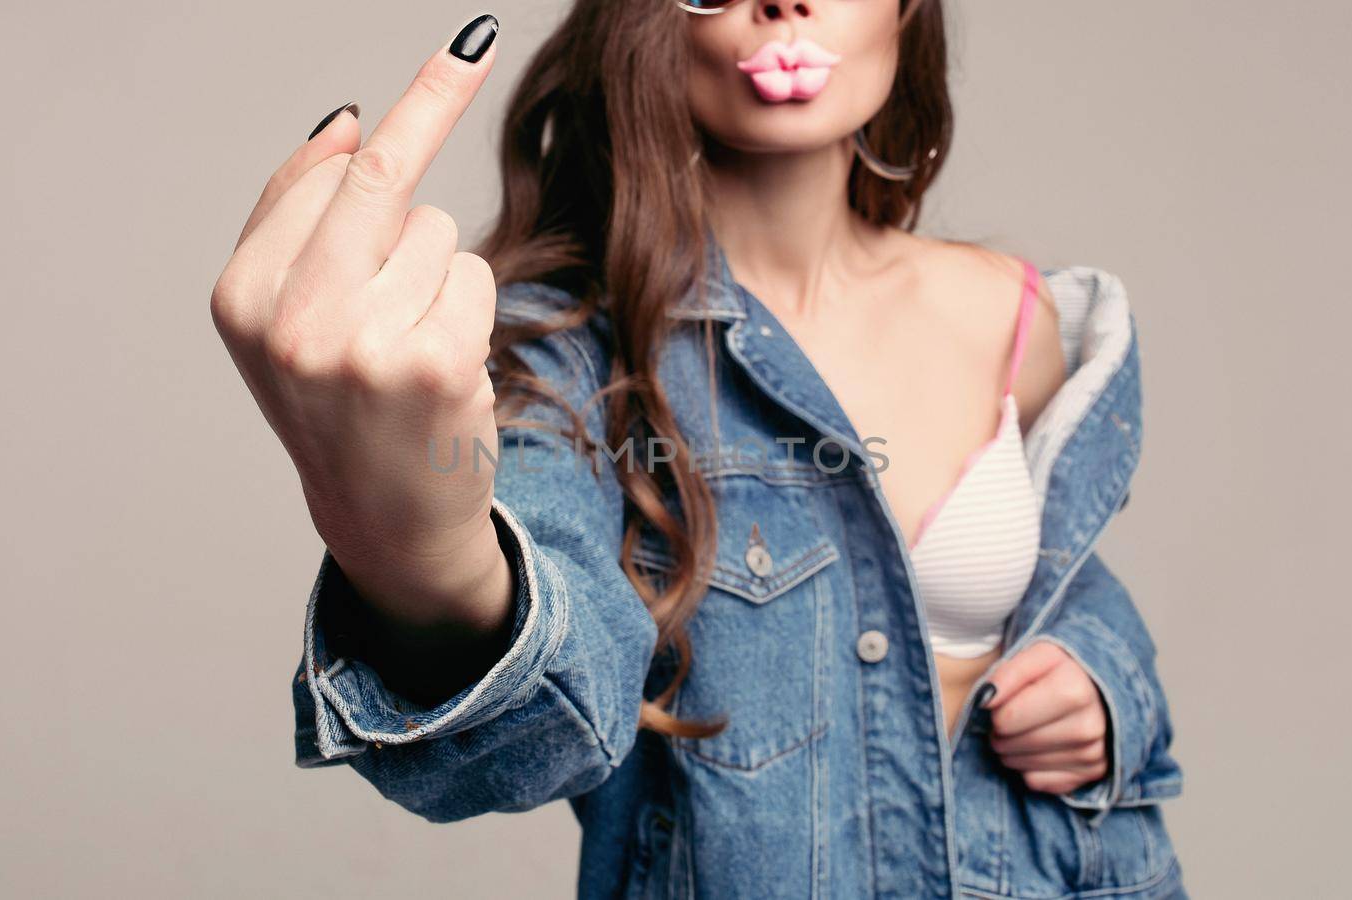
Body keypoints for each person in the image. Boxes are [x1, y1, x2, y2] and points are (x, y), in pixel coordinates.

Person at [210, 2, 1185, 897]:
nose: (785, 3)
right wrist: (412, 551)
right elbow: (542, 719)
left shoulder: (1013, 309)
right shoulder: (566, 348)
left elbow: (1057, 579)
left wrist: (1102, 678)